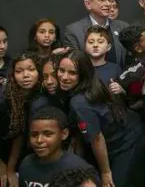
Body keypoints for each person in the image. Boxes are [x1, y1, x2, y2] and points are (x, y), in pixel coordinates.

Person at [57, 50, 145, 187]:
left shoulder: (79, 103)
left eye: (72, 73)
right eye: (61, 70)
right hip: (116, 135)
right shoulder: (87, 84)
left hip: (127, 139)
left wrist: (105, 172)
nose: (63, 77)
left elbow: (97, 138)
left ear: (83, 74)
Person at [18, 107, 99, 186]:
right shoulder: (26, 164)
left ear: (64, 134)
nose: (39, 140)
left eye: (47, 134)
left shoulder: (78, 170)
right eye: (34, 135)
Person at [0, 52, 42, 187]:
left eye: (31, 69)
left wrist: (11, 168)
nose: (25, 75)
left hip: (26, 157)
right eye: (19, 71)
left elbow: (19, 135)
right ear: (12, 75)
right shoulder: (4, 100)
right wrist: (2, 165)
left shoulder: (42, 98)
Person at [64, 0, 129, 67]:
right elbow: (73, 64)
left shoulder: (123, 27)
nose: (108, 4)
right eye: (102, 0)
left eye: (109, 0)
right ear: (88, 4)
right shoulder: (74, 31)